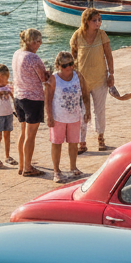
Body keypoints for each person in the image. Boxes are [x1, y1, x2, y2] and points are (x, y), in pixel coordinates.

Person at [70, 8, 115, 154]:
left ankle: (101, 139)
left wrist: (111, 74)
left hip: (100, 78)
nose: (98, 23)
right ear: (86, 21)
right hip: (81, 81)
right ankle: (82, 142)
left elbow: (109, 55)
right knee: (82, 111)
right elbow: (73, 56)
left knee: (99, 110)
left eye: (99, 20)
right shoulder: (77, 35)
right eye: (94, 20)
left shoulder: (102, 35)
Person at [45, 51, 90, 184]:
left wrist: (87, 110)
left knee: (73, 143)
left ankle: (73, 167)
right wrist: (49, 116)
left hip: (74, 115)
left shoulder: (78, 76)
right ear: (59, 65)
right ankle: (56, 170)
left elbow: (85, 94)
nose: (69, 67)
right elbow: (47, 99)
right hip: (58, 116)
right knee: (57, 143)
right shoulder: (53, 79)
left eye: (71, 64)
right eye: (65, 65)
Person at [11, 28, 48, 178]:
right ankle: (27, 167)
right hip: (32, 99)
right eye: (37, 41)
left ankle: (22, 165)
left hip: (18, 97)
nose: (40, 43)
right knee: (30, 135)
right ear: (31, 41)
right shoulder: (33, 58)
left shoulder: (17, 54)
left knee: (23, 133)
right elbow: (43, 78)